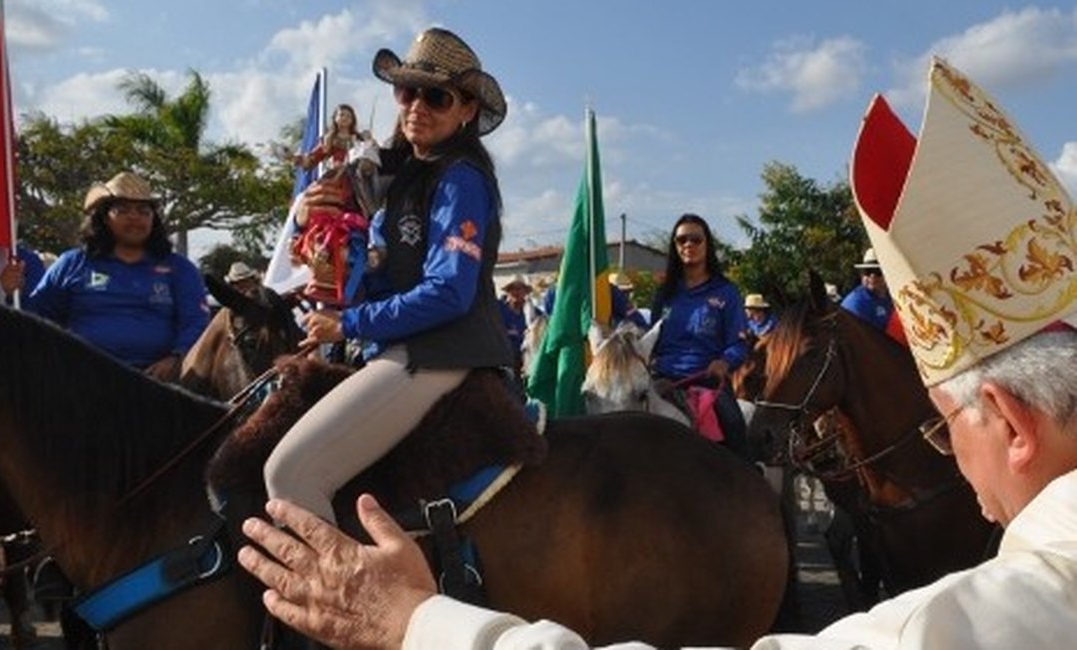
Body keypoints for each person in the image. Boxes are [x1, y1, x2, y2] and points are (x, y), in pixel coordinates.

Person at [237, 57, 1077, 650]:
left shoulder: (714, 296)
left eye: (941, 428)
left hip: (694, 387)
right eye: (407, 93)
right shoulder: (670, 294)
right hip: (646, 371)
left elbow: (730, 346)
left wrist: (717, 371)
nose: (415, 106)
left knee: (748, 431)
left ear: (1006, 419)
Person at [262, 27, 513, 524]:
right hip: (398, 348)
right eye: (407, 91)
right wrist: (314, 229)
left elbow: (449, 292)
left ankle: (337, 602)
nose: (417, 106)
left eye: (436, 96)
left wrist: (349, 325)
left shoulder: (459, 178)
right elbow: (365, 276)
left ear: (467, 110)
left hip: (440, 352)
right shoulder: (403, 180)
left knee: (288, 475)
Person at [24, 171, 209, 382]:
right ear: (104, 218)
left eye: (143, 211)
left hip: (158, 386)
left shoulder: (180, 268)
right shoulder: (72, 263)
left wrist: (177, 358)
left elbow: (196, 322)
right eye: (122, 210)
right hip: (81, 382)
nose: (135, 217)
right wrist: (12, 291)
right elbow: (36, 316)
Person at [649, 213, 750, 457]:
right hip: (662, 381)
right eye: (682, 240)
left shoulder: (726, 292)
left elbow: (739, 343)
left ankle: (747, 481)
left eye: (696, 239)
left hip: (708, 381)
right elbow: (650, 340)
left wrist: (724, 362)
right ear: (674, 246)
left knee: (735, 425)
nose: (688, 245)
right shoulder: (664, 294)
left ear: (707, 245)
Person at [497, 273, 539, 378]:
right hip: (505, 361)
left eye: (520, 289)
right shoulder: (498, 309)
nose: (516, 292)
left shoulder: (533, 311)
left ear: (525, 292)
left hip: (527, 360)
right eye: (512, 289)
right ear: (507, 292)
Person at [841, 247, 893, 331]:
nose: (872, 276)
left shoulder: (892, 296)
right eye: (868, 271)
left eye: (878, 271)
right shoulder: (856, 303)